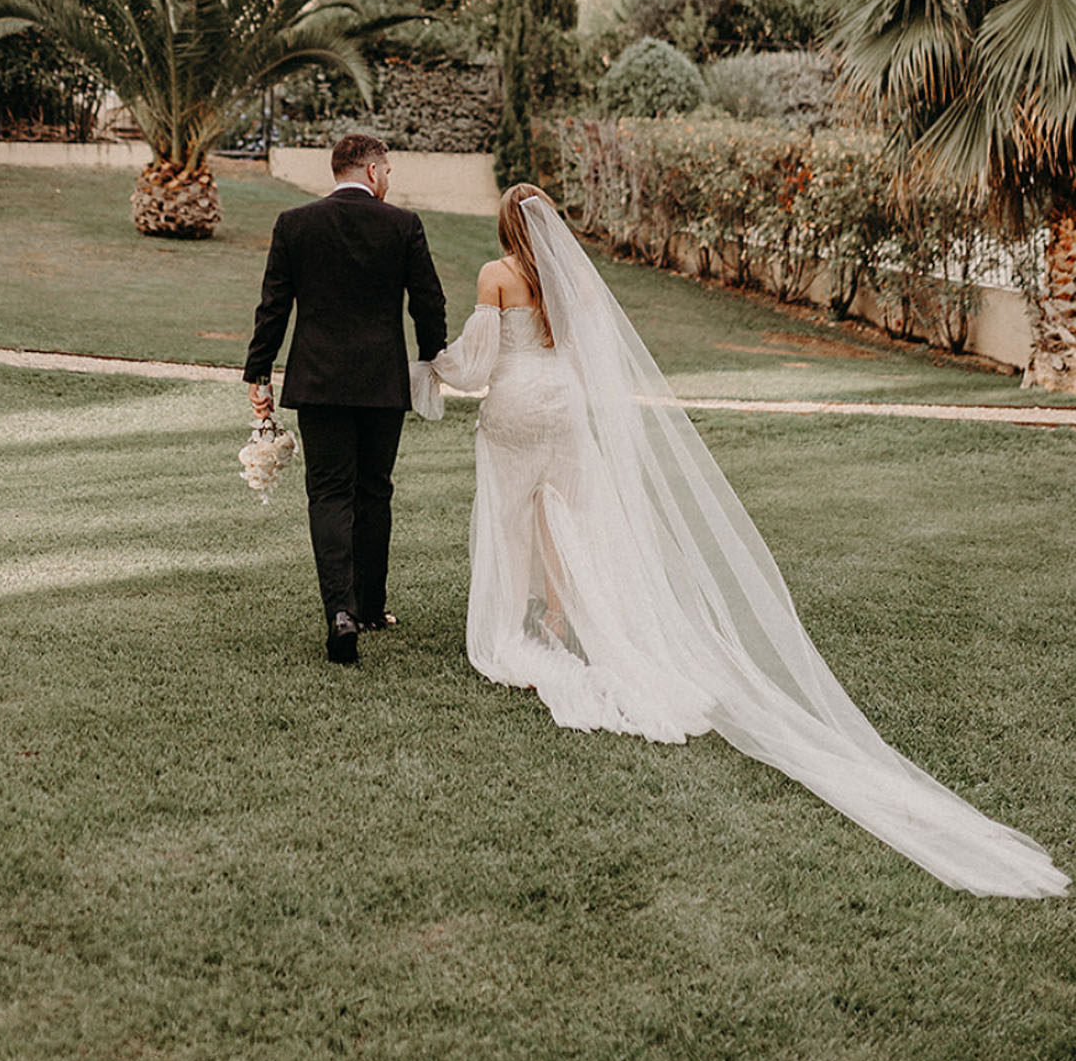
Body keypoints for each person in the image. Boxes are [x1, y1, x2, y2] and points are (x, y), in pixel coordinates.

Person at [415, 183, 1067, 899]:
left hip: (514, 407)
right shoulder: (571, 279)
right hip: (563, 407)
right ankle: (567, 623)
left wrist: (431, 368)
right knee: (566, 517)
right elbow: (589, 351)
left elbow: (477, 364)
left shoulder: (497, 274)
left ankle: (513, 625)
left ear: (505, 225)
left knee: (512, 518)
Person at [245, 132, 448, 665]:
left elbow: (274, 305)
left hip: (319, 382)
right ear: (374, 171)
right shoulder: (403, 225)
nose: (388, 181)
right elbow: (428, 301)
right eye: (388, 172)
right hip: (382, 383)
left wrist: (259, 372)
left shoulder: (295, 224)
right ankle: (371, 608)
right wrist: (432, 361)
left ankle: (340, 612)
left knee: (330, 493)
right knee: (374, 490)